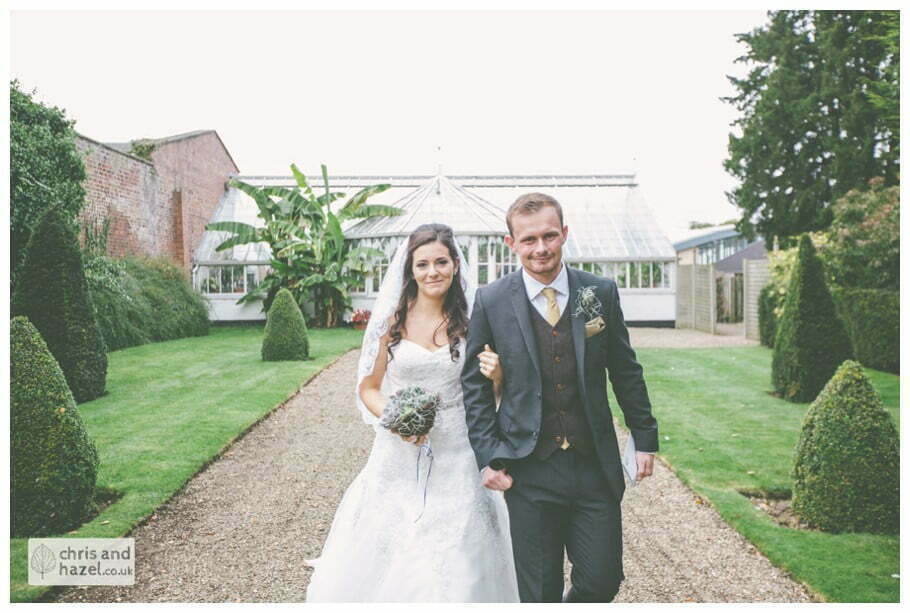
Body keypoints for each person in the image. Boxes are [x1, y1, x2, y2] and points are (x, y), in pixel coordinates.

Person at [461, 192, 660, 603]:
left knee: (602, 581)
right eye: (529, 240)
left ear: (565, 233)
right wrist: (487, 455)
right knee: (538, 593)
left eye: (550, 236)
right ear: (510, 243)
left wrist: (644, 436)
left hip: (593, 466)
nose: (541, 249)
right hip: (529, 468)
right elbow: (475, 386)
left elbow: (625, 370)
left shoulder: (598, 292)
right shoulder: (492, 300)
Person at [305, 223, 520, 602]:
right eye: (422, 264)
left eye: (440, 262)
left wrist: (498, 375)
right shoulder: (391, 321)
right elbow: (369, 388)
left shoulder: (474, 321)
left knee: (459, 547)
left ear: (455, 265)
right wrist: (397, 418)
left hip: (458, 451)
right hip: (399, 454)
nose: (432, 272)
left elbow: (487, 395)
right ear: (411, 270)